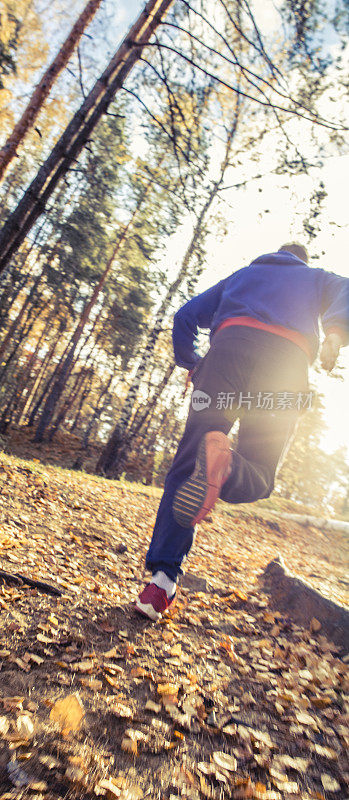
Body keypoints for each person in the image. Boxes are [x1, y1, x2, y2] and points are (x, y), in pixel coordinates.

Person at [136, 243, 349, 621]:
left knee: (187, 466)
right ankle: (229, 467)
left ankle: (161, 583)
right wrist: (334, 332)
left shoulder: (241, 277)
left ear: (275, 255)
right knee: (261, 474)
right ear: (302, 259)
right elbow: (344, 289)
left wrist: (193, 362)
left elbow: (185, 316)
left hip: (225, 356)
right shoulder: (314, 278)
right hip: (284, 367)